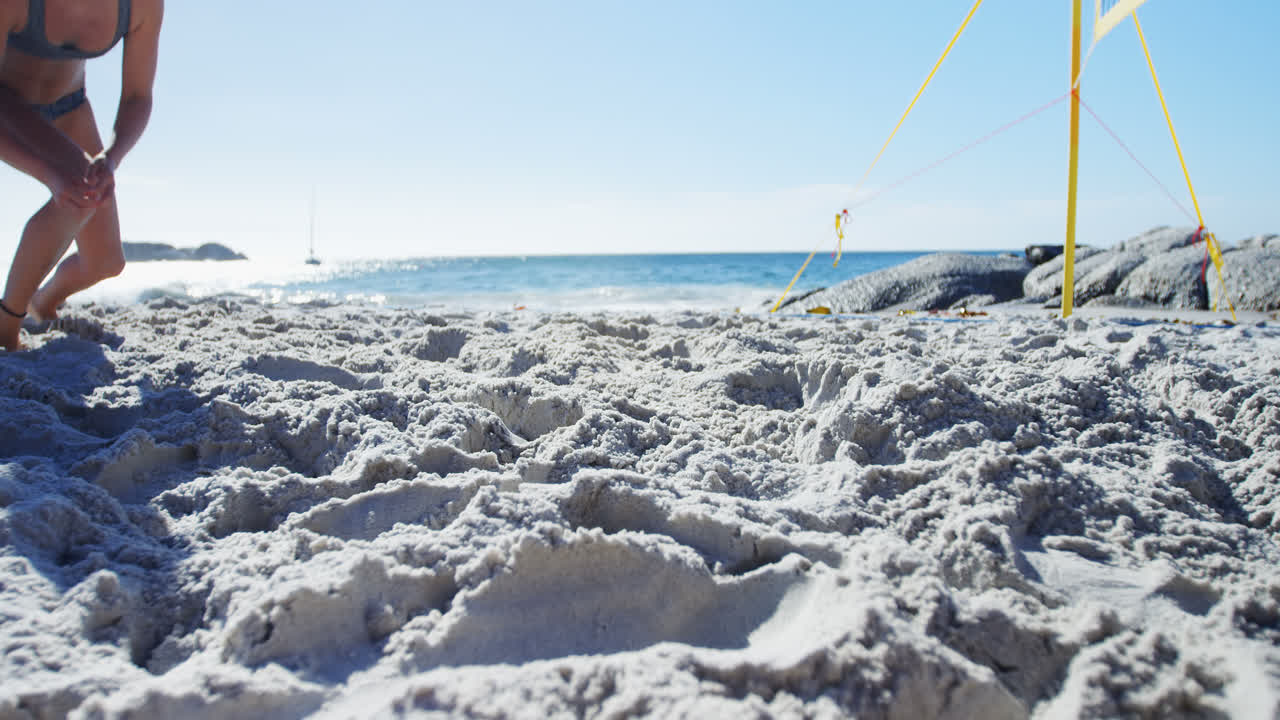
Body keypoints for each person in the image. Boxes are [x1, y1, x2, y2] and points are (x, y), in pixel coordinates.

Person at [0, 0, 162, 350]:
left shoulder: (142, 6)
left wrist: (111, 158)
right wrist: (52, 175)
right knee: (78, 186)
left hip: (71, 107)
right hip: (7, 107)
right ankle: (5, 326)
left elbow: (138, 96)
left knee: (105, 262)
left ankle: (42, 302)